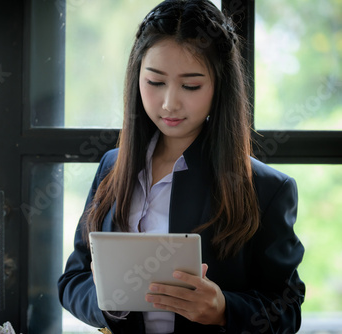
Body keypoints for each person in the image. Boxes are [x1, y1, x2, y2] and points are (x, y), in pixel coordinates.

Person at [58, 0, 305, 333]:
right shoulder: (112, 167)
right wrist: (109, 305)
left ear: (220, 88)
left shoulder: (266, 187)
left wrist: (223, 309)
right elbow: (73, 280)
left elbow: (287, 310)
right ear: (137, 78)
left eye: (191, 86)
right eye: (155, 82)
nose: (169, 103)